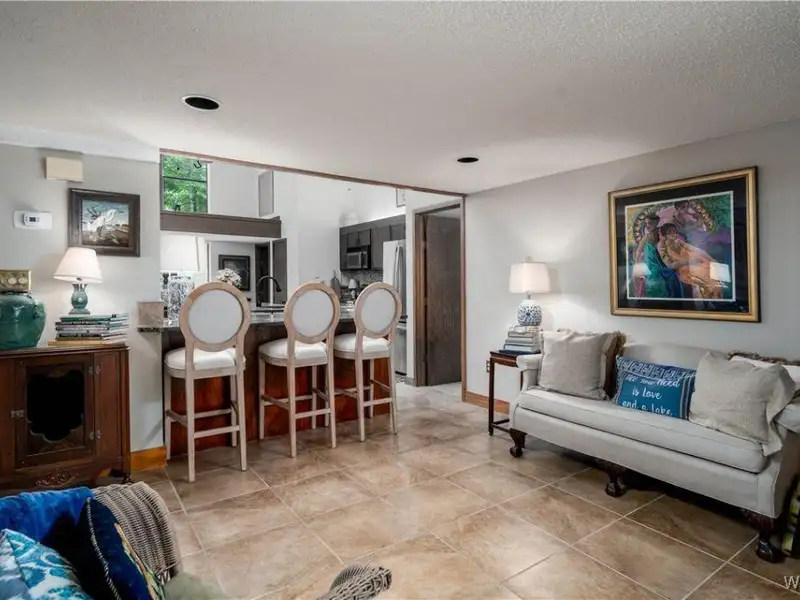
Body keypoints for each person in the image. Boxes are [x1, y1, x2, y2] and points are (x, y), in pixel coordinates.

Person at [657, 223, 722, 299]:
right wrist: (688, 261)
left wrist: (711, 258)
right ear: (665, 234)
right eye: (670, 232)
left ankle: (717, 298)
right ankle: (713, 297)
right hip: (685, 269)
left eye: (674, 231)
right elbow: (670, 266)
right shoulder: (662, 246)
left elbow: (695, 250)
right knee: (707, 279)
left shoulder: (679, 242)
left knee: (714, 271)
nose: (673, 234)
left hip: (696, 261)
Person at [631, 215, 683, 299]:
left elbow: (668, 246)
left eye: (650, 223)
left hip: (661, 264)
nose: (647, 226)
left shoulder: (661, 233)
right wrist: (637, 265)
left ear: (657, 223)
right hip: (650, 265)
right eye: (646, 223)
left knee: (670, 276)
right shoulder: (646, 237)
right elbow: (638, 251)